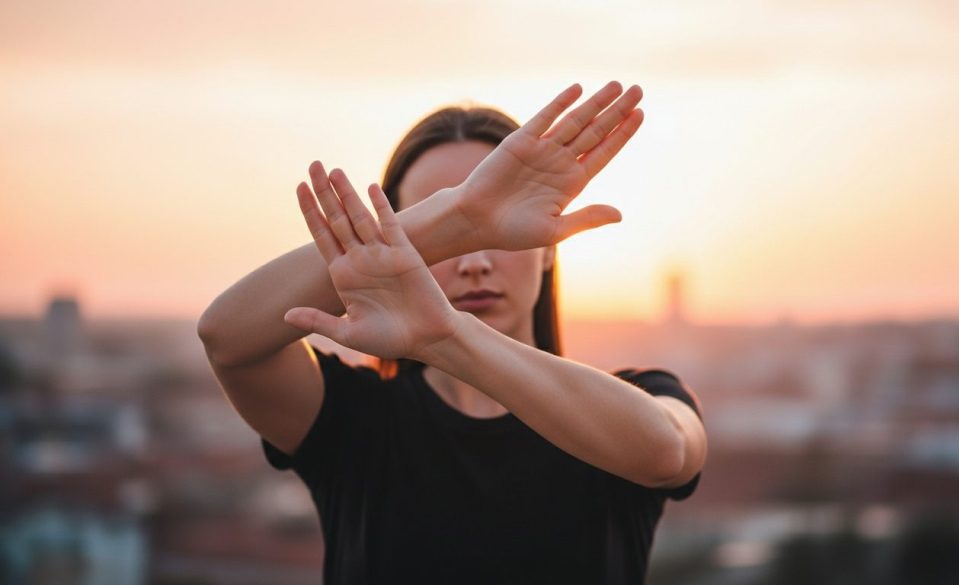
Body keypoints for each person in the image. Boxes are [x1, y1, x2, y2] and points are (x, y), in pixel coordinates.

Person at [197, 81, 707, 585]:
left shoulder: (632, 400)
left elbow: (666, 454)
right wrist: (462, 215)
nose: (476, 262)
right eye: (446, 239)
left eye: (502, 232)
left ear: (549, 249)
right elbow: (225, 337)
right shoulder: (351, 419)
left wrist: (445, 335)